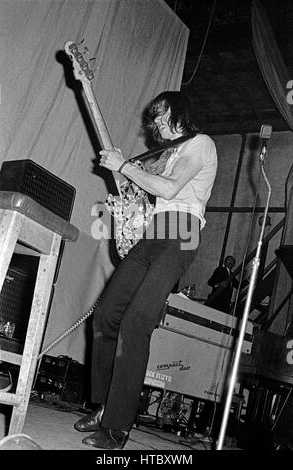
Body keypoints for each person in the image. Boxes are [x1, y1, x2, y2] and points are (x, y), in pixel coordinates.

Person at [74, 91, 218, 450]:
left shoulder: (200, 144)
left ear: (179, 112)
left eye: (160, 115)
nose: (154, 123)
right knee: (106, 316)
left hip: (182, 232)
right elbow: (135, 185)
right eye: (152, 117)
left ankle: (117, 427)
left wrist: (125, 166)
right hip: (154, 232)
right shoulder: (165, 154)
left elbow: (170, 188)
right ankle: (106, 405)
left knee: (137, 320)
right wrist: (122, 171)